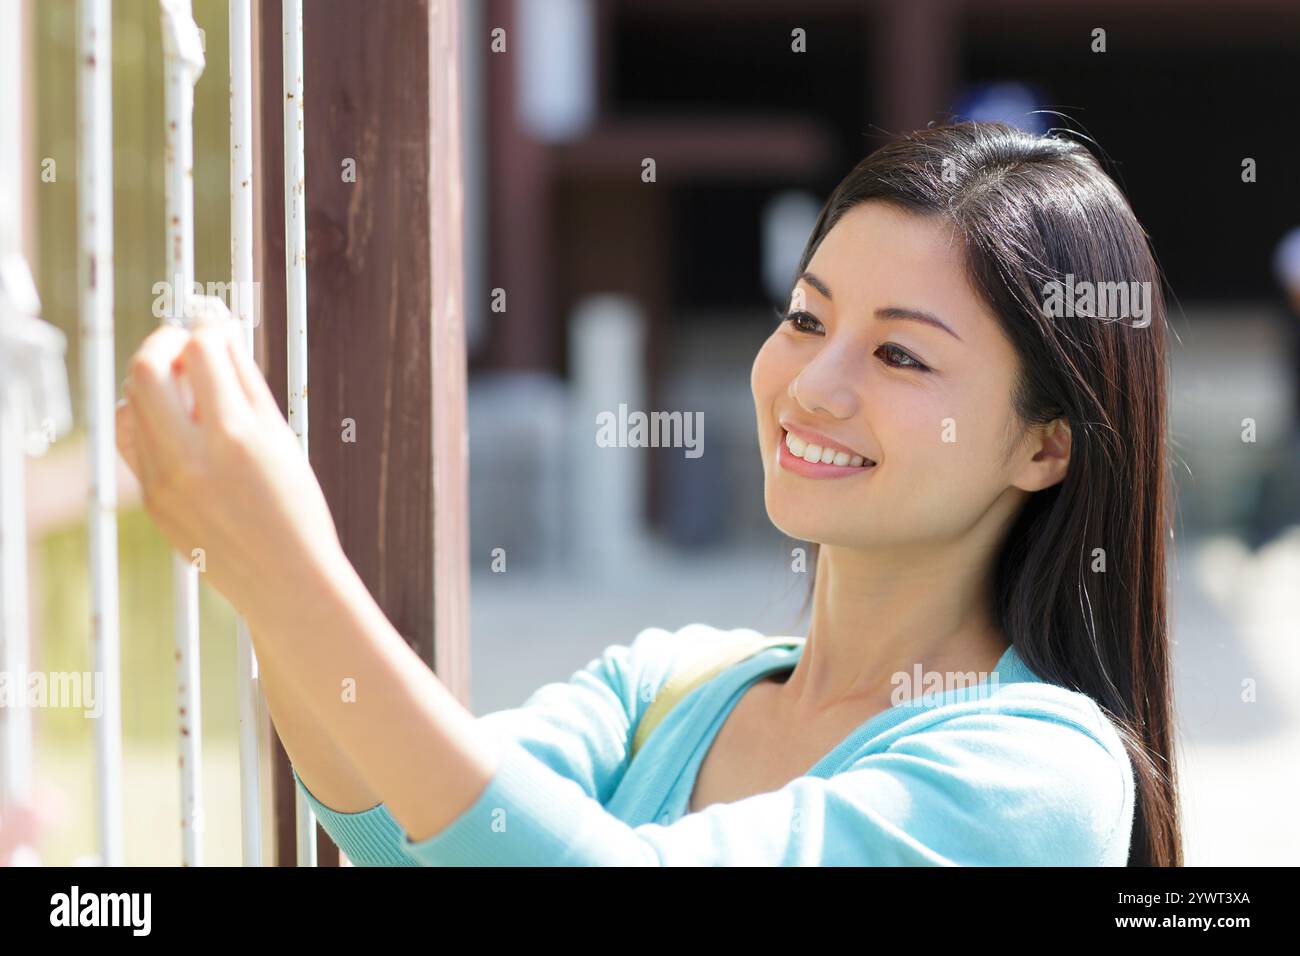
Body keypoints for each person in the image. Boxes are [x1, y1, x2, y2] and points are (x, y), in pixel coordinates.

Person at [115, 121, 1180, 866]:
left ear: (1045, 446)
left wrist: (293, 569)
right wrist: (251, 564)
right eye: (805, 319)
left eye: (899, 355)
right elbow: (401, 830)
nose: (810, 386)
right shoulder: (665, 684)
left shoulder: (1040, 772)